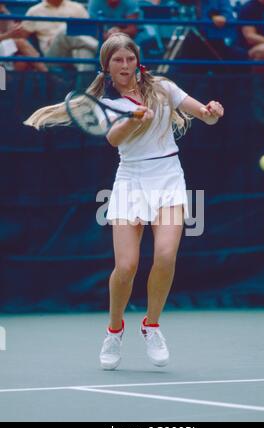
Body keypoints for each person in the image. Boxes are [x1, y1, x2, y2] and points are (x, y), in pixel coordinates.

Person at [23, 33, 224, 370]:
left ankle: (152, 326)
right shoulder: (107, 105)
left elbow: (204, 115)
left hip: (169, 177)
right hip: (130, 182)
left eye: (130, 58)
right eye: (118, 60)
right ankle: (114, 330)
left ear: (137, 60)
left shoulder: (163, 87)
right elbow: (114, 140)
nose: (126, 65)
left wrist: (211, 111)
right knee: (127, 266)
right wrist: (133, 120)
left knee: (165, 254)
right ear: (107, 67)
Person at [5, 0, 99, 71]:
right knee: (65, 29)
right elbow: (20, 36)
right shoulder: (34, 11)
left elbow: (89, 31)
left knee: (85, 53)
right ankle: (101, 49)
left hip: (75, 49)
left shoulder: (77, 7)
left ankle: (84, 94)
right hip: (52, 55)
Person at [0, 3, 48, 71]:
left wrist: (16, 29)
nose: (2, 6)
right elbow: (10, 35)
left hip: (3, 47)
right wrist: (9, 35)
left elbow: (12, 32)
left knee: (21, 61)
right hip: (3, 45)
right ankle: (46, 73)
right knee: (20, 42)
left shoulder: (4, 11)